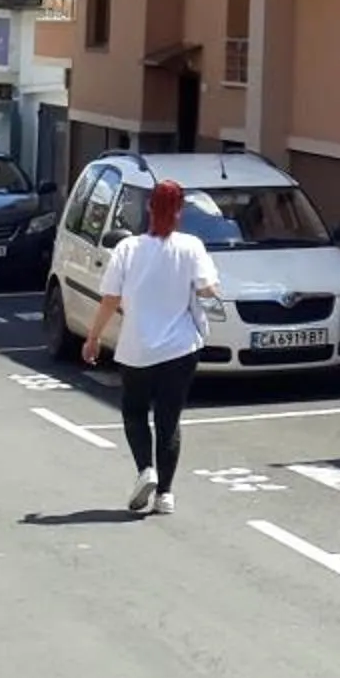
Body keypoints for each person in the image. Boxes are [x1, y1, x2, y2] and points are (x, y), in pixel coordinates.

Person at [84, 179, 221, 516]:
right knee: (168, 420)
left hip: (138, 347)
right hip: (181, 347)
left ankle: (146, 469)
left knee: (134, 412)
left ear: (148, 208)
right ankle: (166, 495)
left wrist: (93, 337)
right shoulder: (191, 247)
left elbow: (110, 299)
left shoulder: (128, 249)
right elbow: (208, 291)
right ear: (180, 210)